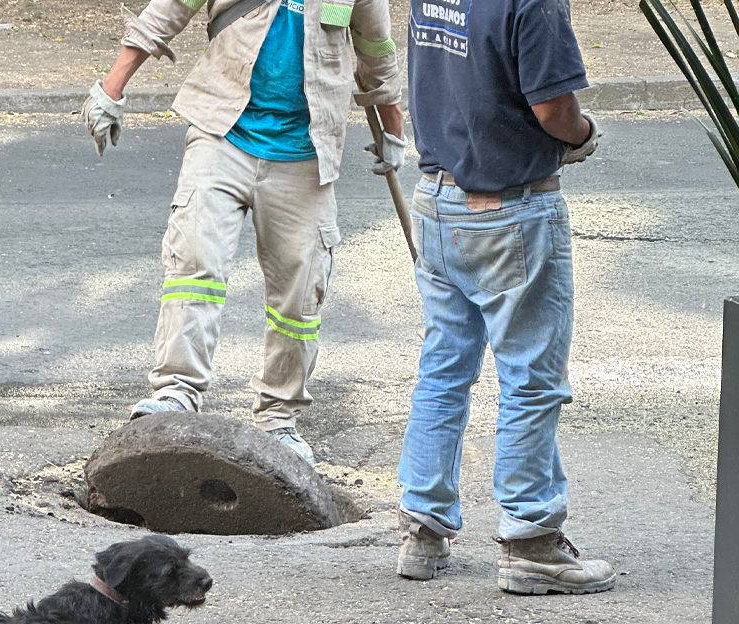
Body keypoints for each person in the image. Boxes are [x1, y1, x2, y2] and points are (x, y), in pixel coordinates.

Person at [82, 0, 405, 467]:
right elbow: (168, 11)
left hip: (306, 151)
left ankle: (279, 418)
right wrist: (111, 89)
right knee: (194, 258)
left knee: (300, 293)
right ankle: (176, 394)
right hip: (222, 130)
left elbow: (377, 49)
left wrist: (393, 131)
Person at [395, 0, 614, 593]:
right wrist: (585, 135)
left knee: (443, 368)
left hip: (437, 199)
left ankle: (423, 530)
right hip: (509, 208)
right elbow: (554, 110)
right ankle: (531, 540)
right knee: (531, 378)